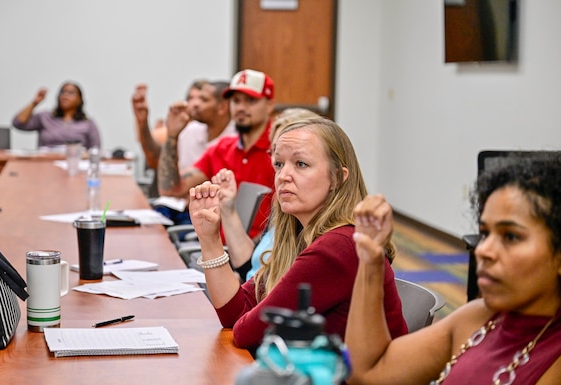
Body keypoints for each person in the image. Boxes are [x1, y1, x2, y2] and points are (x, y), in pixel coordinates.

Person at [188, 117, 408, 350]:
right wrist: (209, 239)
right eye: (279, 164)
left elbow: (246, 333)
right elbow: (237, 313)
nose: (283, 176)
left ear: (337, 177)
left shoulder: (337, 247)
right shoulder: (300, 236)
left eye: (301, 164)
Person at [345, 154, 561, 385]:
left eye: (511, 236)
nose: (483, 250)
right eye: (486, 233)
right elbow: (368, 374)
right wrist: (370, 259)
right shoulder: (478, 318)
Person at [158, 69, 277, 239]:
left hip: (264, 255)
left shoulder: (280, 151)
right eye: (236, 101)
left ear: (269, 105)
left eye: (251, 101)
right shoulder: (222, 148)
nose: (241, 107)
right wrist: (172, 136)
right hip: (219, 251)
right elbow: (170, 190)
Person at [211, 108, 322, 282]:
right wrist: (227, 209)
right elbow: (251, 266)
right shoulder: (284, 205)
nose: (283, 173)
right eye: (277, 158)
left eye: (300, 162)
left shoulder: (308, 216)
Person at [131, 80, 235, 173]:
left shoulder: (236, 141)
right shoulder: (191, 130)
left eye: (203, 100)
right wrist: (143, 122)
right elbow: (155, 160)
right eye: (192, 98)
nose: (195, 104)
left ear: (222, 107)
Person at [12, 81, 101, 149]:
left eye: (70, 93)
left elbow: (95, 151)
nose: (65, 96)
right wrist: (35, 103)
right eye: (62, 92)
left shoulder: (88, 124)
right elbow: (18, 123)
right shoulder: (45, 117)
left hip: (75, 166)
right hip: (46, 166)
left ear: (79, 99)